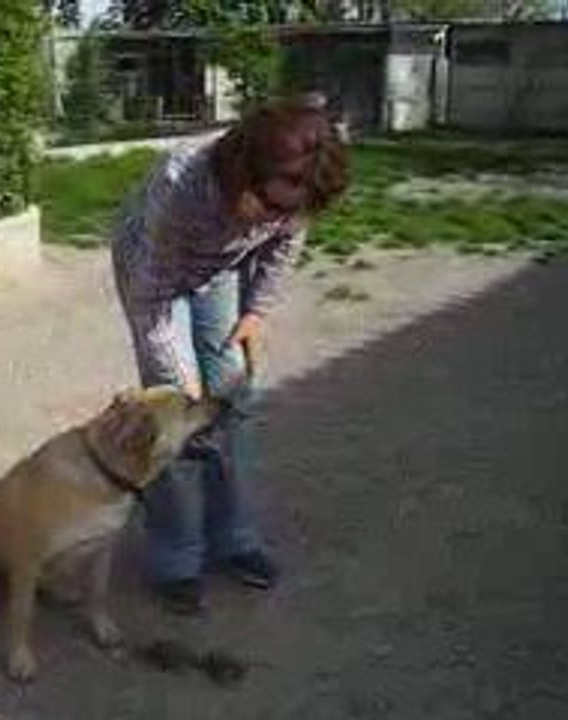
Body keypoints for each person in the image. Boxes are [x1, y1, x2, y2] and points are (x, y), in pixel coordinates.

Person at [110, 100, 349, 614]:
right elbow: (152, 300)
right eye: (272, 207)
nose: (282, 220)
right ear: (244, 173)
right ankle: (176, 558)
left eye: (291, 211)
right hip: (152, 270)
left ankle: (233, 538)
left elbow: (283, 246)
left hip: (218, 266)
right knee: (176, 418)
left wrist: (256, 312)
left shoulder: (294, 190)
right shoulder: (180, 185)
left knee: (233, 397)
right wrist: (182, 388)